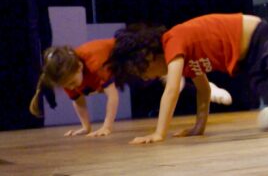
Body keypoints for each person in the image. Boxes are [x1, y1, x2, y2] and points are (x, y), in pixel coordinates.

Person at [107, 13, 268, 144]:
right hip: (250, 61)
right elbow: (204, 91)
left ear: (148, 57)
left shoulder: (172, 41)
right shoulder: (184, 64)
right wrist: (199, 127)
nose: (148, 78)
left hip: (264, 35)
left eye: (143, 72)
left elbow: (171, 90)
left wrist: (159, 133)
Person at [28, 38, 233, 137]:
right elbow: (78, 101)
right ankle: (188, 82)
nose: (73, 87)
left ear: (80, 66)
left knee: (169, 77)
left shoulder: (94, 61)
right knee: (161, 83)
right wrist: (86, 127)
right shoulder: (66, 77)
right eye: (69, 85)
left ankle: (209, 86)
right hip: (122, 70)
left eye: (73, 82)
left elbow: (112, 96)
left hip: (134, 57)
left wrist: (107, 126)